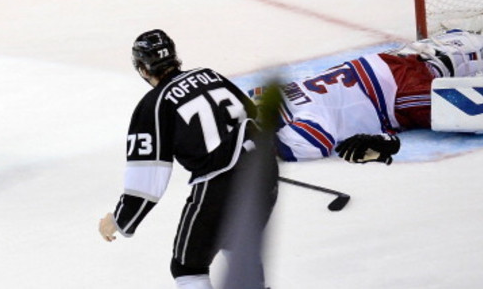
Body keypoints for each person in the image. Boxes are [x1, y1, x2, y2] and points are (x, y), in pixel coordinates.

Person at [98, 30, 278, 289]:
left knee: (188, 267)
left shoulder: (154, 105)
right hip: (263, 170)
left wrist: (118, 220)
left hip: (220, 182)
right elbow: (254, 118)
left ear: (142, 68)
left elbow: (146, 182)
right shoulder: (210, 74)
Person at [271, 28, 483, 164]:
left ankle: (450, 66)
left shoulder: (304, 119)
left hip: (392, 97)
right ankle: (448, 60)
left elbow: (314, 144)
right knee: (434, 67)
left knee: (463, 106)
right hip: (377, 64)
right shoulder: (271, 97)